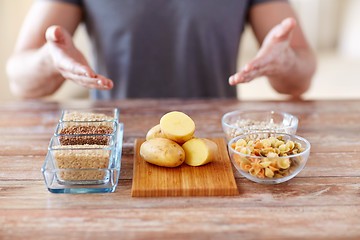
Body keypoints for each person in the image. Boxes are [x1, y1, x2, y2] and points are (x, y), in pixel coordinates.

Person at [6, 0, 316, 99]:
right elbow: (19, 79)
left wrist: (285, 61)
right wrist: (50, 60)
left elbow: (301, 76)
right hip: (115, 152)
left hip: (216, 153)